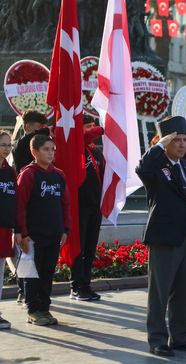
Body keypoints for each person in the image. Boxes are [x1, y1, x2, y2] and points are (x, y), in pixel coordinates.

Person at [136, 116, 186, 357]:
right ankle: (157, 339)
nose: (182, 144)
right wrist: (158, 145)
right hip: (165, 236)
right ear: (165, 142)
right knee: (160, 291)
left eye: (184, 140)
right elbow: (141, 168)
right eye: (176, 140)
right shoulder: (155, 166)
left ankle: (180, 336)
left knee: (185, 291)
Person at [15, 134, 71, 326]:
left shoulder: (59, 175)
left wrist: (65, 229)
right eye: (46, 149)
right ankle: (33, 310)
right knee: (32, 274)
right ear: (34, 152)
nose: (51, 153)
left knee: (47, 273)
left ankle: (44, 308)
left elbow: (65, 204)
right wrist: (22, 233)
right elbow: (19, 206)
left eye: (53, 149)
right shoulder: (28, 174)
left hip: (53, 234)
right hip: (32, 236)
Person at [12, 110, 49, 305]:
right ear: (28, 126)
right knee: (26, 251)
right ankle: (22, 289)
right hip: (26, 201)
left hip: (41, 203)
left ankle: (35, 293)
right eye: (38, 126)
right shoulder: (22, 144)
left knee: (36, 254)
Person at [69, 123, 105, 301]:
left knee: (90, 249)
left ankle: (86, 285)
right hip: (79, 207)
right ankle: (76, 286)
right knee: (79, 247)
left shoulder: (96, 152)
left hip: (95, 206)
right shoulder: (75, 149)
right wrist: (103, 129)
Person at [0, 131, 17, 329]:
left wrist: (18, 229)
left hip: (4, 230)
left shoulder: (10, 171)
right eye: (3, 144)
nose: (6, 148)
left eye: (8, 145)